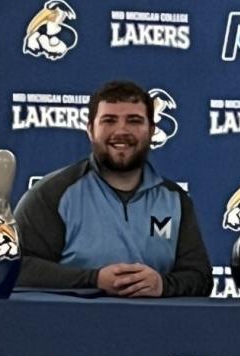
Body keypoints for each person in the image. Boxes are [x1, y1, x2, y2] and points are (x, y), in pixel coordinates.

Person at [16, 80, 212, 297]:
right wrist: (94, 280)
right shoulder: (52, 194)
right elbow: (16, 269)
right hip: (70, 328)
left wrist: (162, 285)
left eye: (134, 121)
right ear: (90, 130)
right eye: (109, 120)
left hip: (156, 329)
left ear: (152, 131)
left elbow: (200, 278)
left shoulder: (175, 199)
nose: (121, 131)